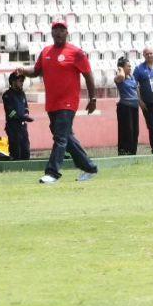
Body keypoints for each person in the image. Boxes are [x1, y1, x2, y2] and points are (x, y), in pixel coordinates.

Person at [15, 21, 99, 184]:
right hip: (52, 103)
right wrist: (24, 70)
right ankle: (89, 167)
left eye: (62, 30)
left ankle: (52, 173)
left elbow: (88, 75)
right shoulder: (46, 51)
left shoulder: (76, 53)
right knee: (65, 136)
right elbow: (36, 71)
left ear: (67, 33)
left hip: (68, 103)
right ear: (52, 33)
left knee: (60, 137)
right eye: (56, 30)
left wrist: (92, 98)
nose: (59, 33)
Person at [2, 72, 33, 160]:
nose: (22, 82)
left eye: (22, 81)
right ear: (13, 82)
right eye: (20, 81)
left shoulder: (22, 94)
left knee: (26, 151)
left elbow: (26, 108)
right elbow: (10, 112)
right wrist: (22, 117)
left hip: (23, 127)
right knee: (16, 151)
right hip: (13, 127)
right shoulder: (7, 95)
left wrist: (26, 115)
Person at [114, 57, 140, 155]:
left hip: (134, 107)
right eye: (127, 66)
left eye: (130, 66)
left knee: (135, 131)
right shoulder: (119, 78)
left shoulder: (132, 77)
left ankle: (133, 152)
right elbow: (121, 76)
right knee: (127, 130)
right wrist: (120, 69)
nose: (130, 68)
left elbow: (136, 92)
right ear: (122, 68)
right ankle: (124, 151)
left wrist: (141, 103)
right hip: (125, 107)